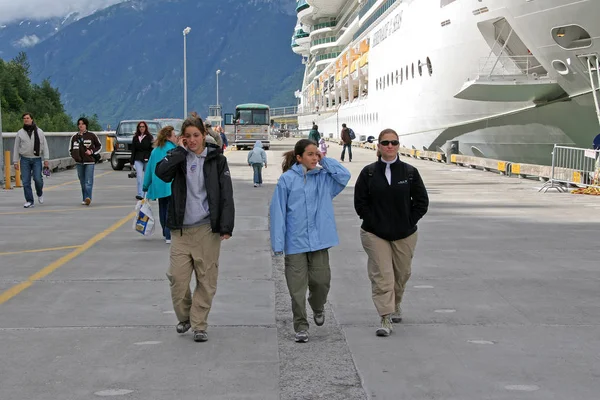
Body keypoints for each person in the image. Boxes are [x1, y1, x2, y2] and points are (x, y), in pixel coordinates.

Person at [155, 113, 234, 343]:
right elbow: (161, 173)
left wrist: (226, 225)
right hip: (180, 230)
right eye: (187, 136)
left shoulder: (216, 160)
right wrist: (179, 151)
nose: (192, 140)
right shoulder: (177, 158)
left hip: (207, 229)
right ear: (182, 138)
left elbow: (226, 193)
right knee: (177, 279)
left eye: (196, 135)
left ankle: (199, 324)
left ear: (203, 135)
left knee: (206, 279)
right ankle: (185, 317)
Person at [270, 139, 350, 343]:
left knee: (321, 282)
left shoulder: (324, 178)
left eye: (317, 154)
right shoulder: (286, 180)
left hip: (320, 241)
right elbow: (277, 213)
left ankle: (318, 306)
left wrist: (325, 160)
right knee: (296, 289)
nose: (315, 158)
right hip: (295, 243)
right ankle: (301, 326)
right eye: (310, 154)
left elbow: (344, 176)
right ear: (298, 158)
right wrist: (278, 244)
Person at [354, 128, 429, 337]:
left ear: (398, 145)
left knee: (401, 274)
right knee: (382, 275)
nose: (389, 146)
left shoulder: (410, 172)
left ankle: (396, 303)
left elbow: (422, 202)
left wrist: (408, 221)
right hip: (374, 233)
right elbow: (360, 202)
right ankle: (385, 317)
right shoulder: (368, 172)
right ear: (378, 146)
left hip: (404, 233)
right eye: (385, 143)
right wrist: (373, 221)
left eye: (394, 143)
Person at [143, 125, 178, 244]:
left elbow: (148, 170)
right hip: (170, 184)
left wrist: (145, 185)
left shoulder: (155, 150)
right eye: (174, 135)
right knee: (170, 209)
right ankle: (169, 234)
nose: (176, 137)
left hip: (158, 185)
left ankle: (164, 231)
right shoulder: (173, 150)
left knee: (162, 208)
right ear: (168, 137)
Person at [13, 113, 50, 208]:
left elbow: (45, 146)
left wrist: (46, 159)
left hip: (36, 159)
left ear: (32, 119)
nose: (26, 120)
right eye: (24, 118)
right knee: (25, 181)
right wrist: (15, 161)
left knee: (38, 179)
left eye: (28, 118)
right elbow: (16, 147)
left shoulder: (39, 131)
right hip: (24, 159)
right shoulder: (20, 133)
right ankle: (29, 200)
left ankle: (39, 192)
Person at [69, 117, 102, 206]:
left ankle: (88, 197)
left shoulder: (92, 135)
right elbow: (70, 149)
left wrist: (91, 151)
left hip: (89, 161)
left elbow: (99, 146)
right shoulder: (74, 137)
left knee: (88, 181)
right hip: (79, 162)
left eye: (83, 124)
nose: (81, 125)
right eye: (79, 124)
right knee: (82, 181)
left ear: (86, 125)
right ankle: (85, 198)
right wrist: (75, 157)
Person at [130, 121, 153, 200]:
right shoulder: (135, 137)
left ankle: (147, 194)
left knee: (147, 177)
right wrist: (131, 162)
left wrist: (149, 158)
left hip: (147, 158)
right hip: (138, 158)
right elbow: (133, 150)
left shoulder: (149, 137)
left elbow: (151, 149)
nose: (141, 128)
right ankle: (140, 194)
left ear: (145, 128)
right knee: (139, 177)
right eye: (140, 127)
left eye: (143, 126)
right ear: (138, 128)